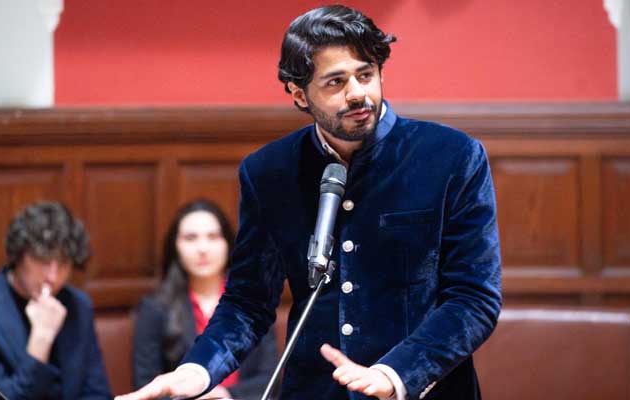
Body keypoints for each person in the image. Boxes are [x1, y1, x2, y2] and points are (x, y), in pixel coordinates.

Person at [117, 5, 501, 400]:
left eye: (365, 74)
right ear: (299, 94)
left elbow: (474, 298)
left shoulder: (452, 156)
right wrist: (197, 371)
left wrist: (396, 372)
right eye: (335, 82)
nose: (357, 93)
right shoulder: (268, 172)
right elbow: (248, 302)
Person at [0, 202, 112, 399]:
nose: (53, 276)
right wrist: (41, 340)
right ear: (19, 256)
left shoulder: (79, 305)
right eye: (43, 261)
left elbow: (98, 393)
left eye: (63, 263)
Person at [132, 199, 277, 400]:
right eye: (191, 238)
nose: (202, 248)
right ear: (175, 246)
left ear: (228, 243)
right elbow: (146, 382)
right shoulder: (155, 308)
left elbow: (271, 378)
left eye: (213, 236)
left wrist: (227, 395)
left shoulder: (253, 302)